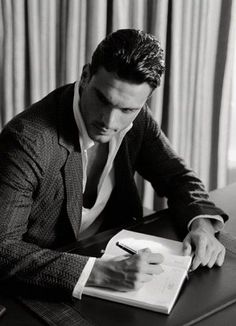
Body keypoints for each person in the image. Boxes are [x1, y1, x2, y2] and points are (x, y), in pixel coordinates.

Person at [0, 29, 228, 299]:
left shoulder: (138, 118)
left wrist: (201, 226)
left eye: (127, 110)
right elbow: (3, 246)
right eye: (103, 99)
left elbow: (177, 176)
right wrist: (100, 273)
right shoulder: (27, 141)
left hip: (115, 250)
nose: (110, 121)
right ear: (85, 76)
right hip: (46, 280)